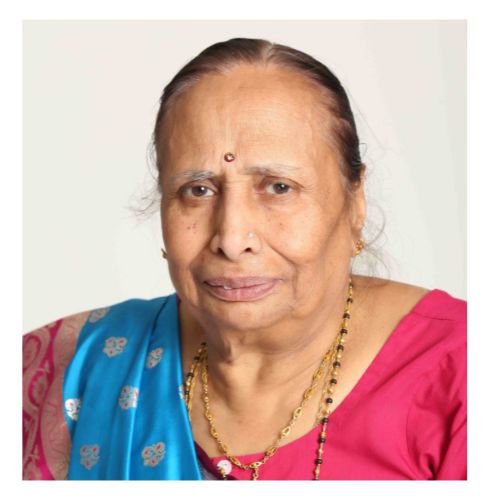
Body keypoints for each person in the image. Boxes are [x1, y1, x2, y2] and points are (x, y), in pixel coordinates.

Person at [22, 37, 466, 480]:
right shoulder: (72, 368)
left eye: (279, 187)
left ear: (356, 201)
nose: (232, 240)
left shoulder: (461, 374)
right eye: (198, 190)